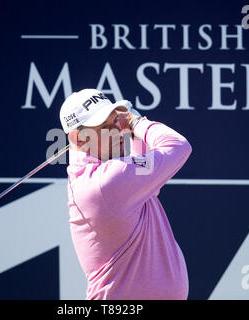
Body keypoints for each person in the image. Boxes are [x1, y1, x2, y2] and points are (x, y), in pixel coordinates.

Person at [59, 88, 192, 300]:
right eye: (105, 126)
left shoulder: (100, 176)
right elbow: (177, 146)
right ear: (79, 139)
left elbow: (146, 172)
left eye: (116, 122)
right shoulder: (108, 180)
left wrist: (132, 129)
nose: (118, 131)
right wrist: (135, 121)